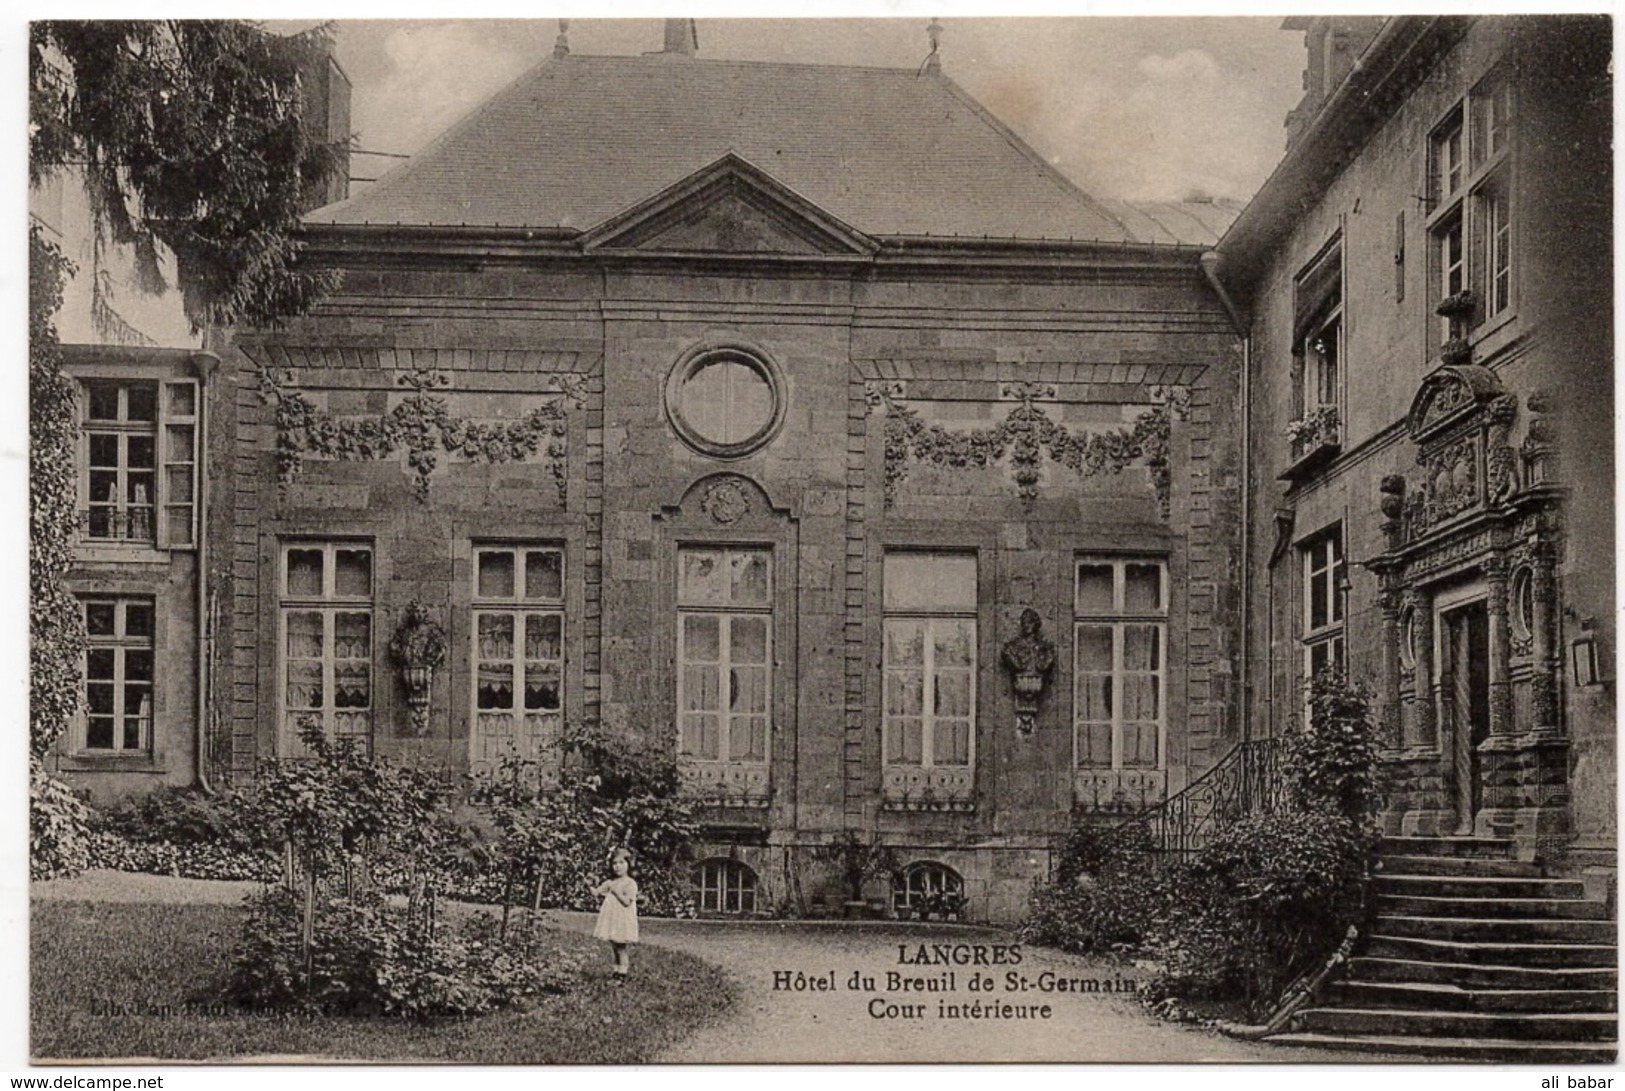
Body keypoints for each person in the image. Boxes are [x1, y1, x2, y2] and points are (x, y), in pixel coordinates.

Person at [591, 847, 639, 983]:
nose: (617, 867)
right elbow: (597, 892)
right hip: (612, 919)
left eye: (621, 863)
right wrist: (590, 886)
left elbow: (626, 902)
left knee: (621, 947)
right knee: (614, 946)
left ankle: (622, 974)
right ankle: (616, 971)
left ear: (629, 864)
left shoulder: (630, 883)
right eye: (614, 863)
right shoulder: (610, 882)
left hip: (622, 920)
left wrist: (616, 892)